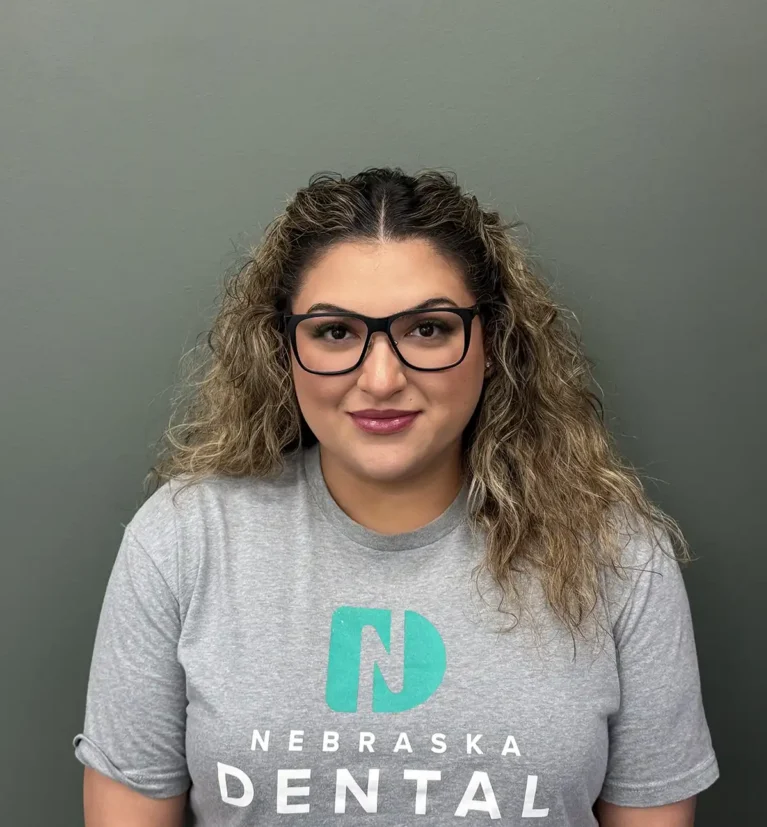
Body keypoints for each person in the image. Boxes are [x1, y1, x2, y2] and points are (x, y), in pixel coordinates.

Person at [72, 166, 719, 826]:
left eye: (428, 329)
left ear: (491, 343)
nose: (381, 378)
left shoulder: (616, 552)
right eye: (334, 332)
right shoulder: (184, 539)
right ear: (283, 347)